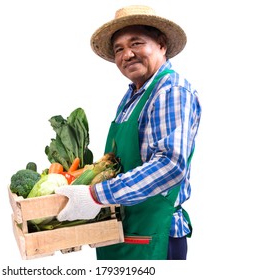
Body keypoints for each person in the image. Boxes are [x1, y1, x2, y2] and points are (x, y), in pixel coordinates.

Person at [55, 5, 201, 260]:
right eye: (119, 49)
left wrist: (95, 195)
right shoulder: (134, 93)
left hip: (155, 236)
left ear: (162, 44)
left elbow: (169, 165)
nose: (127, 54)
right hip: (126, 233)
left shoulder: (171, 91)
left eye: (136, 43)